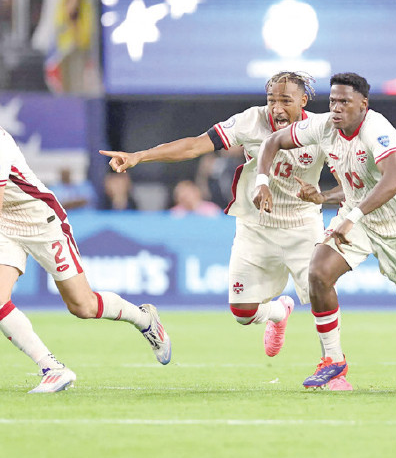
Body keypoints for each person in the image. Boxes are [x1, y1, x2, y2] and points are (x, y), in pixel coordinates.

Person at [100, 72, 345, 382]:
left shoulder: (322, 128)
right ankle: (279, 313)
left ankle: (335, 366)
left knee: (322, 291)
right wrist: (139, 156)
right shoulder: (250, 121)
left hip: (303, 225)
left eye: (286, 100)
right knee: (242, 311)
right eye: (272, 100)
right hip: (255, 225)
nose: (278, 108)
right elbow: (194, 146)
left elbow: (348, 177)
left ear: (304, 101)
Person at [254, 73, 396, 392]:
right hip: (354, 218)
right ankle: (334, 360)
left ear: (363, 105)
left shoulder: (377, 129)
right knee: (318, 272)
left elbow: (392, 180)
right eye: (333, 101)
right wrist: (264, 182)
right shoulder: (323, 127)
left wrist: (354, 214)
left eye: (344, 102)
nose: (336, 108)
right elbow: (273, 142)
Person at [0, 125, 170, 394]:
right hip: (4, 225)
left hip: (40, 221)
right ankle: (53, 369)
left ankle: (144, 319)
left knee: (83, 305)